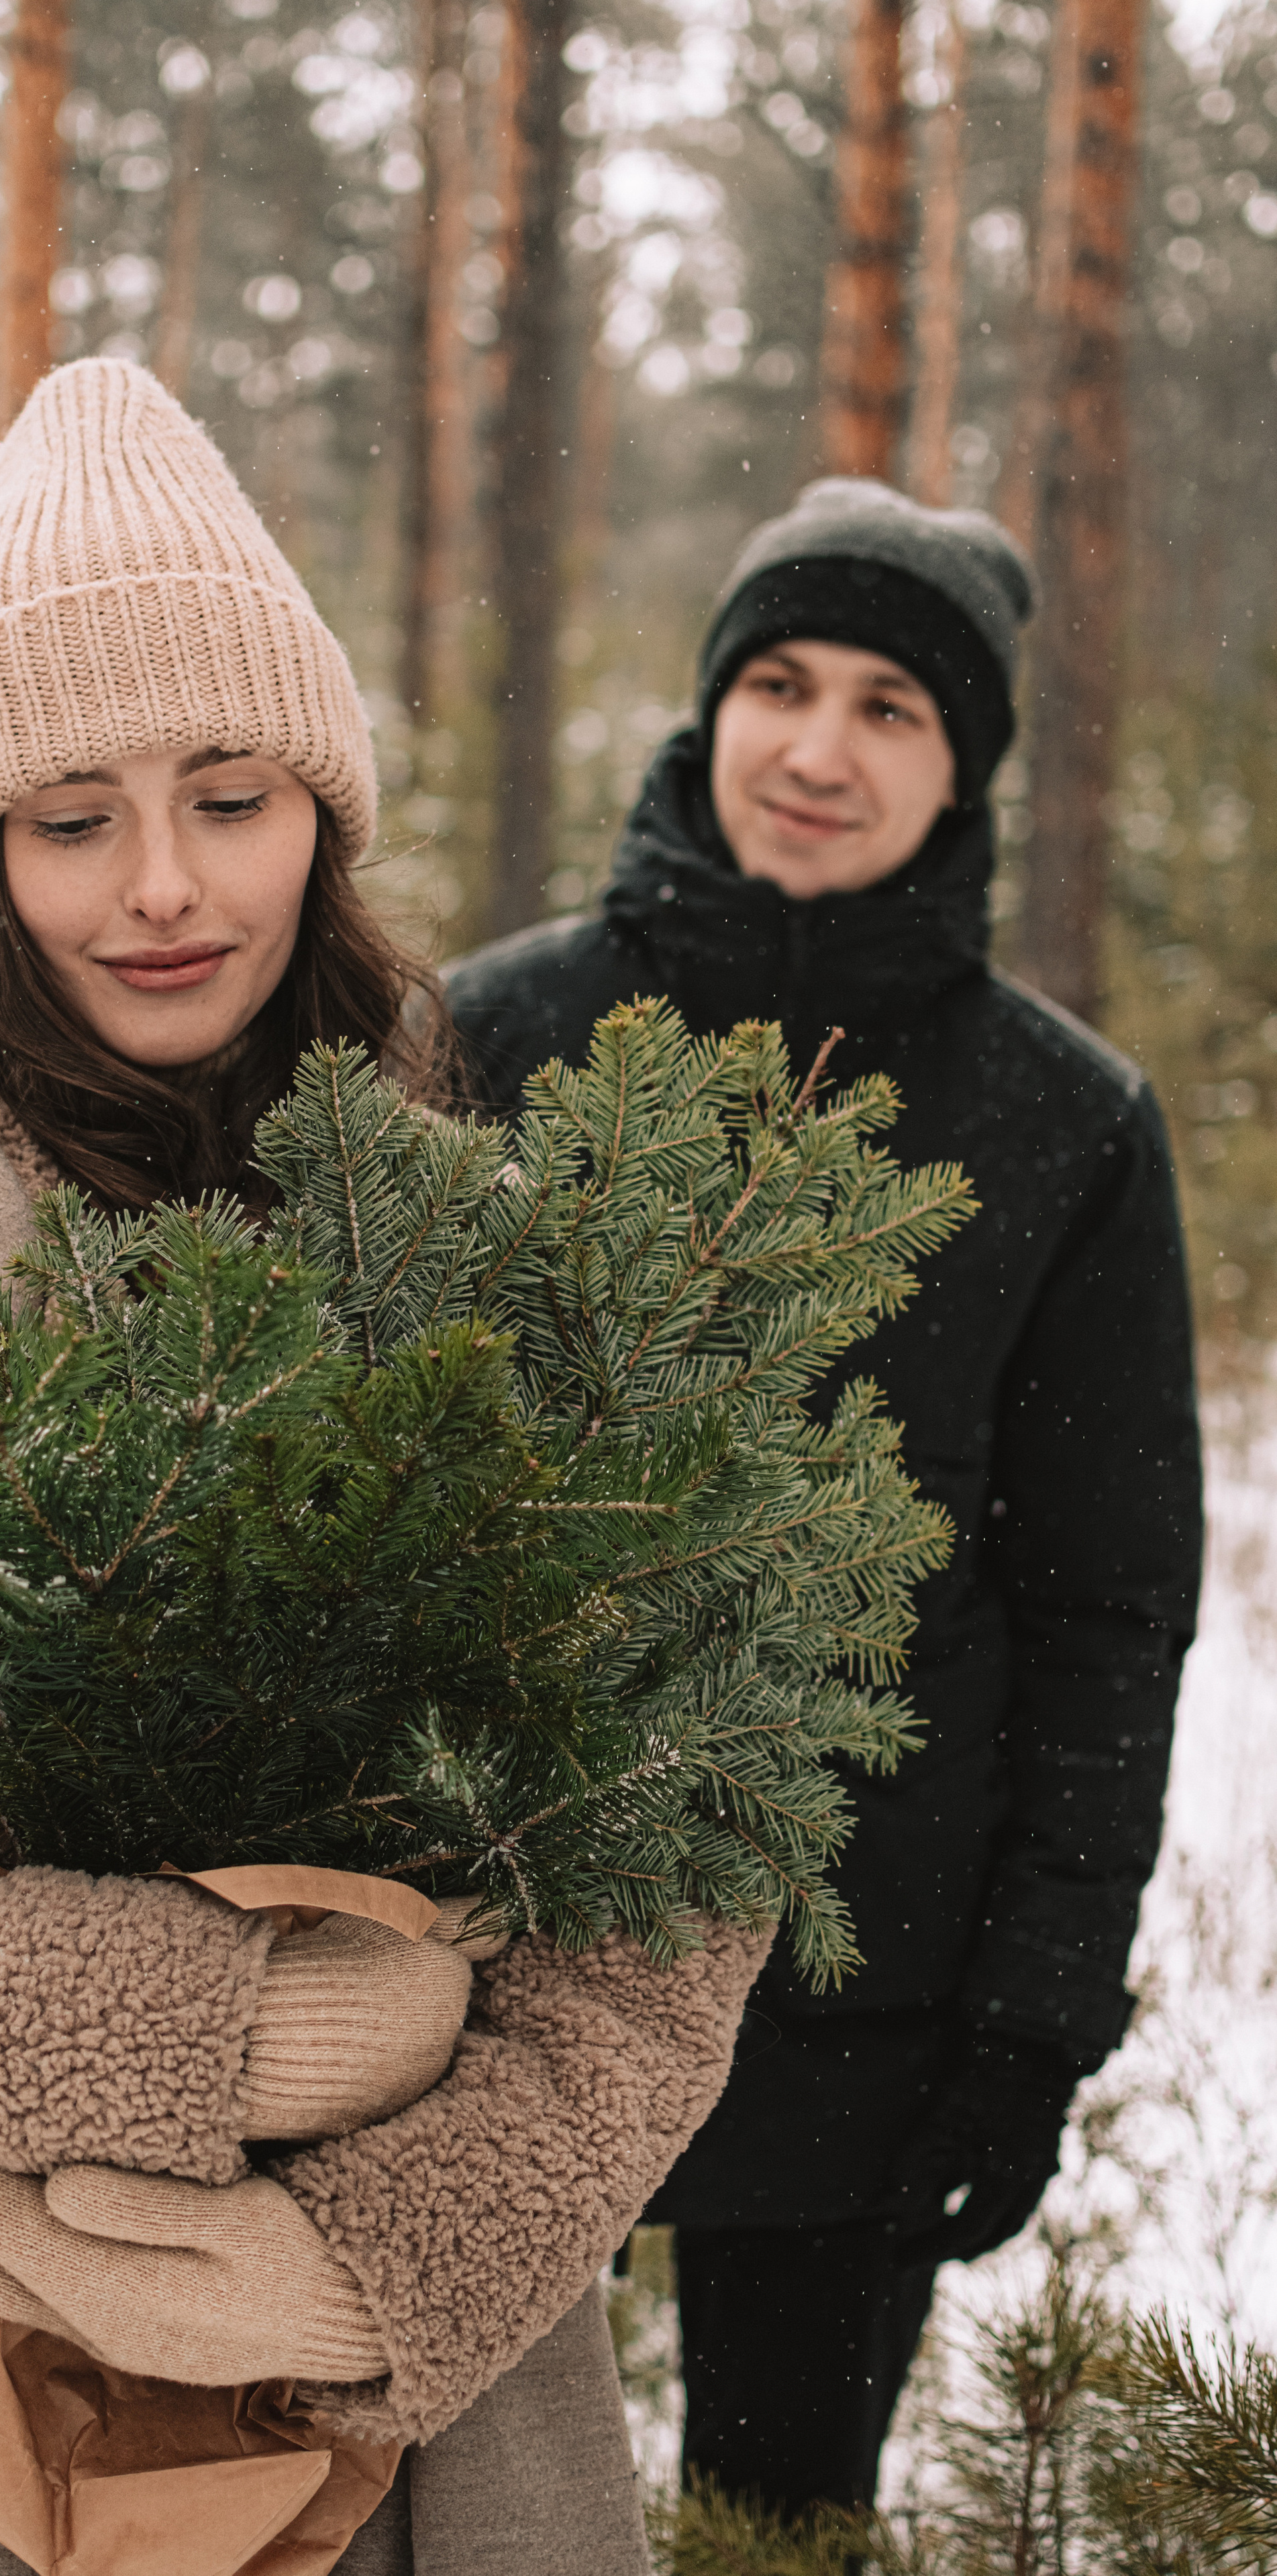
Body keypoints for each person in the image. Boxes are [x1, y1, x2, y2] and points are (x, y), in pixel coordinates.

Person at [0, 360, 772, 2576]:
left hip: (378, 2448)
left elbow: (676, 1880)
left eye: (229, 795)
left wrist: (395, 2257)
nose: (160, 888)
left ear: (321, 806)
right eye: (72, 815)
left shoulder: (492, 1273)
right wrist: (195, 2027)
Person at [446, 478, 1204, 2519]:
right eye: (780, 681)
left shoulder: (1065, 1126)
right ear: (710, 711)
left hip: (876, 1980)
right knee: (453, 2531)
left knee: (778, 2532)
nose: (818, 747)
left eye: (893, 705)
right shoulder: (496, 1034)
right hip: (489, 1982)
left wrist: (1038, 2018)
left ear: (963, 772)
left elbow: (1109, 1610)